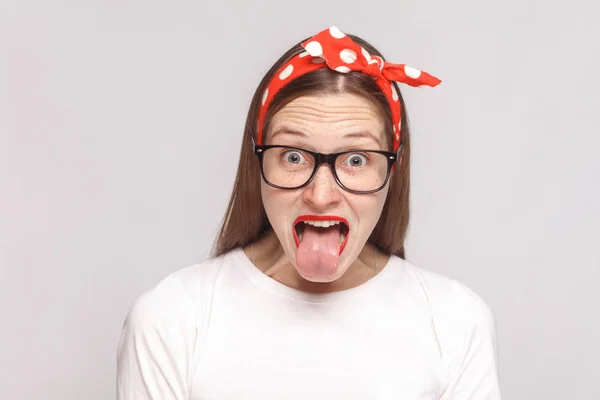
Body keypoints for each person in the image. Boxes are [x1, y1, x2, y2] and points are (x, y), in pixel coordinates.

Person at [116, 26, 502, 399]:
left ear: (392, 170)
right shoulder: (171, 318)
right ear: (257, 163)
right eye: (294, 156)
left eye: (355, 159)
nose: (321, 195)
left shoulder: (455, 320)